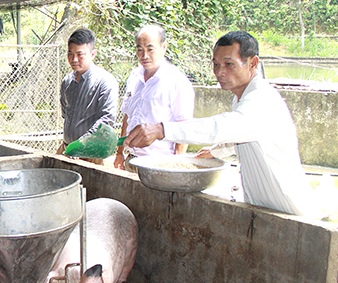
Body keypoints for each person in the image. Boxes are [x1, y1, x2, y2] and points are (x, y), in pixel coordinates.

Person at [124, 31, 313, 216]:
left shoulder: (262, 101)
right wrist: (214, 152)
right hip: (264, 207)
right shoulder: (241, 97)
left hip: (289, 208)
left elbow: (221, 128)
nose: (220, 72)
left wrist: (162, 129)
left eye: (229, 64)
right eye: (216, 64)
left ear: (253, 63)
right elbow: (237, 137)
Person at [114, 25, 195, 170]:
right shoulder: (134, 76)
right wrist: (119, 153)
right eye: (140, 50)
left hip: (158, 165)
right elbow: (127, 116)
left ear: (163, 47)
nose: (144, 56)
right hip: (131, 160)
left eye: (150, 49)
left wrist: (175, 166)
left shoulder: (176, 81)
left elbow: (184, 128)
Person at [59, 28, 119, 165]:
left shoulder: (105, 82)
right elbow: (66, 114)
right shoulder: (67, 82)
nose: (74, 59)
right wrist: (72, 148)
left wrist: (81, 146)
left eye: (80, 55)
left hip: (92, 155)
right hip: (67, 151)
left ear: (92, 54)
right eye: (70, 53)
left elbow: (106, 120)